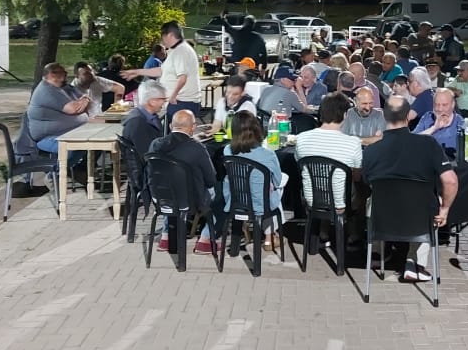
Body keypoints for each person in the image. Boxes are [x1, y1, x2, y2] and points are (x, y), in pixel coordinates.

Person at [362, 95, 458, 282]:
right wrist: (445, 209)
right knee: (429, 202)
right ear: (408, 117)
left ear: (384, 116)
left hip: (382, 218)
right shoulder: (428, 144)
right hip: (419, 218)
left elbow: (367, 182)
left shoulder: (371, 150)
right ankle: (414, 264)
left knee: (373, 198)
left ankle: (377, 253)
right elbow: (451, 181)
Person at [199, 112, 284, 253]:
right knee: (276, 188)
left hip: (236, 200)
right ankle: (269, 236)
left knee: (267, 187)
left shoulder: (227, 150)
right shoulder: (268, 154)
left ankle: (266, 236)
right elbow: (277, 180)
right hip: (260, 203)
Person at [146, 110, 219, 253]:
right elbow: (211, 179)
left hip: (160, 198)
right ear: (193, 127)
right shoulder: (197, 148)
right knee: (221, 192)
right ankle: (206, 239)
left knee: (170, 187)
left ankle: (166, 236)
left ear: (171, 126)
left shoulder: (155, 145)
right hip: (190, 202)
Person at [295, 92, 362, 212]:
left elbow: (299, 164)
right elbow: (357, 177)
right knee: (363, 189)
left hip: (311, 200)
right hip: (341, 202)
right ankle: (355, 223)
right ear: (345, 114)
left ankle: (320, 226)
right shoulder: (353, 143)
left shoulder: (301, 139)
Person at [121, 21, 202, 119]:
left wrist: (173, 96)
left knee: (176, 129)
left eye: (163, 37)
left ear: (170, 35)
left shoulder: (181, 51)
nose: (162, 41)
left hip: (182, 102)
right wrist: (136, 72)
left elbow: (182, 78)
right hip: (179, 102)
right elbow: (161, 70)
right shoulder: (175, 50)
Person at [27, 62, 92, 170]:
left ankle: (75, 171)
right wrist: (83, 103)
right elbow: (73, 109)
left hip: (69, 133)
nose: (66, 74)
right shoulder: (47, 90)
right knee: (82, 145)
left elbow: (87, 102)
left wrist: (85, 101)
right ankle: (57, 174)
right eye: (63, 72)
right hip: (50, 137)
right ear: (52, 74)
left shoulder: (66, 87)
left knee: (95, 141)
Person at [121, 80, 168, 159]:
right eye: (163, 99)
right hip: (150, 164)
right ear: (152, 101)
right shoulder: (137, 123)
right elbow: (146, 154)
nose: (164, 102)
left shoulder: (151, 117)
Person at [413, 88, 462, 157]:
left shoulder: (460, 123)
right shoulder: (427, 117)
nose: (440, 109)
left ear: (452, 104)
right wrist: (434, 128)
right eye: (437, 104)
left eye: (444, 105)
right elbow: (412, 140)